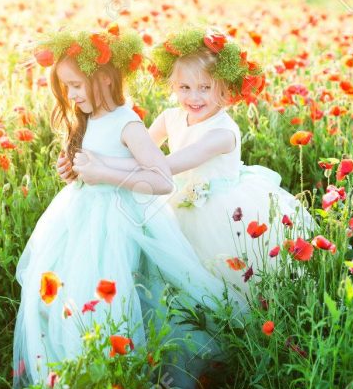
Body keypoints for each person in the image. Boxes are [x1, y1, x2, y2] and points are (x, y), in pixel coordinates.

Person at [13, 27, 247, 389]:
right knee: (73, 291)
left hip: (120, 223)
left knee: (124, 291)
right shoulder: (90, 119)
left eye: (75, 86)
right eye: (65, 88)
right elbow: (97, 160)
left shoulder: (129, 123)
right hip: (81, 218)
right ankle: (80, 379)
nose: (70, 96)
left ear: (103, 79)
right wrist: (73, 167)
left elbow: (160, 176)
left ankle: (126, 379)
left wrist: (104, 171)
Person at [58, 26, 314, 298]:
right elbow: (139, 157)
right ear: (173, 86)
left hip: (219, 209)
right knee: (181, 273)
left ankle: (242, 317)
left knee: (224, 273)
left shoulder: (221, 134)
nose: (193, 97)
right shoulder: (171, 117)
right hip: (176, 200)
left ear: (225, 87)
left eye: (205, 88)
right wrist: (83, 161)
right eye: (185, 88)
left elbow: (164, 166)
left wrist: (102, 165)